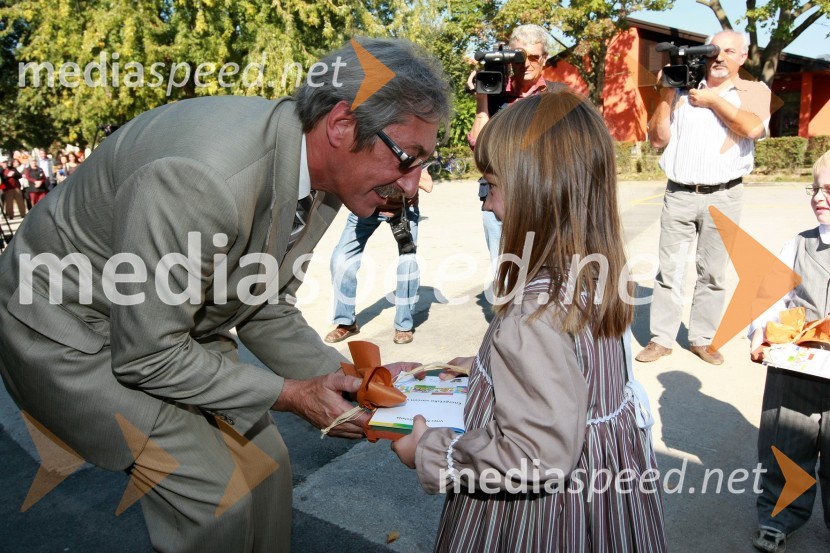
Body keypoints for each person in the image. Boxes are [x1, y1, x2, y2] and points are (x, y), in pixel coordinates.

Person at [0, 38, 451, 553]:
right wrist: (293, 395)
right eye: (407, 159)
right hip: (67, 330)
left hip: (160, 329)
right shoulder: (202, 177)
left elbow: (266, 305)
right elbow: (148, 354)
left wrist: (357, 387)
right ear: (342, 125)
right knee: (218, 499)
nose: (412, 186)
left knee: (268, 466)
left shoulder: (324, 175)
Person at [392, 91, 667, 552]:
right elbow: (573, 374)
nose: (487, 206)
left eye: (491, 186)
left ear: (535, 191)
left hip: (541, 518)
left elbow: (532, 455)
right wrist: (487, 367)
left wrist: (430, 452)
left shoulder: (533, 315)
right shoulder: (594, 276)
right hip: (599, 496)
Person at [636, 30, 771, 365]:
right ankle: (661, 339)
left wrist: (713, 101)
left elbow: (753, 129)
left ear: (743, 56)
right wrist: (667, 91)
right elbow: (657, 139)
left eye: (729, 51)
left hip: (724, 195)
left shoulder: (754, 91)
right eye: (713, 51)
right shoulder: (681, 89)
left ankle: (702, 339)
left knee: (713, 273)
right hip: (679, 193)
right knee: (669, 271)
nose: (719, 57)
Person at [747, 150, 830, 553]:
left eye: (829, 189)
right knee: (787, 446)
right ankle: (778, 517)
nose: (818, 197)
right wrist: (759, 332)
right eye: (814, 188)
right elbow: (769, 298)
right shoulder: (798, 245)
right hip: (797, 368)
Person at [466, 24, 553, 272]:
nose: (525, 64)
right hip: (497, 202)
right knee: (502, 277)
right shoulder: (494, 94)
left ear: (544, 58)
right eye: (518, 57)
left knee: (539, 275)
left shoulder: (556, 96)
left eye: (533, 57)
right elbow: (479, 149)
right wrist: (482, 99)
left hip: (540, 201)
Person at [325, 171, 432, 345]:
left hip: (404, 211)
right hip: (366, 208)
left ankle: (403, 325)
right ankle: (346, 322)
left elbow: (427, 184)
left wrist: (392, 176)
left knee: (408, 263)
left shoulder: (408, 156)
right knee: (341, 259)